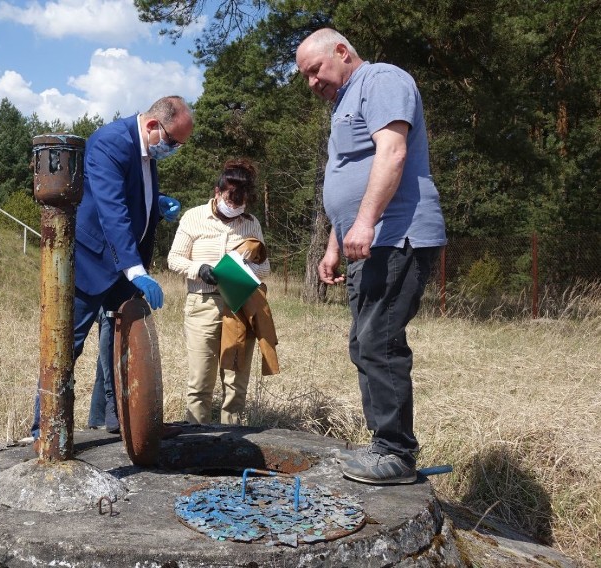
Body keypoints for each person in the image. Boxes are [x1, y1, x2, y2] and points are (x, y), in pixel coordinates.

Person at [295, 28, 447, 484]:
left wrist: (363, 224)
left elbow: (393, 153)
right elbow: (351, 173)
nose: (311, 83)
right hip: (369, 240)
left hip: (396, 237)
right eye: (304, 76)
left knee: (379, 342)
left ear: (342, 52)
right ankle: (383, 444)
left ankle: (396, 454)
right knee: (365, 342)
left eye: (315, 70)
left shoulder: (381, 79)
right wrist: (335, 243)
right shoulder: (347, 101)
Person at [31, 95, 193, 440]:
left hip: (121, 266)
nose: (176, 149)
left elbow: (131, 193)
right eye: (174, 141)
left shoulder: (146, 147)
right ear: (153, 125)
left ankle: (124, 424)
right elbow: (111, 208)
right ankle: (43, 430)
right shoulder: (111, 141)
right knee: (65, 347)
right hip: (93, 261)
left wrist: (153, 204)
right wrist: (135, 270)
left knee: (124, 346)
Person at [167, 158, 274, 425]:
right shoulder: (193, 217)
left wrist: (243, 268)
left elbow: (265, 269)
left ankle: (233, 443)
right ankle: (196, 442)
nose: (235, 206)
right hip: (202, 305)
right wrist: (199, 269)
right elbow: (174, 259)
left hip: (239, 306)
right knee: (200, 381)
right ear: (217, 192)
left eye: (241, 203)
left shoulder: (251, 224)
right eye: (230, 199)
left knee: (235, 382)